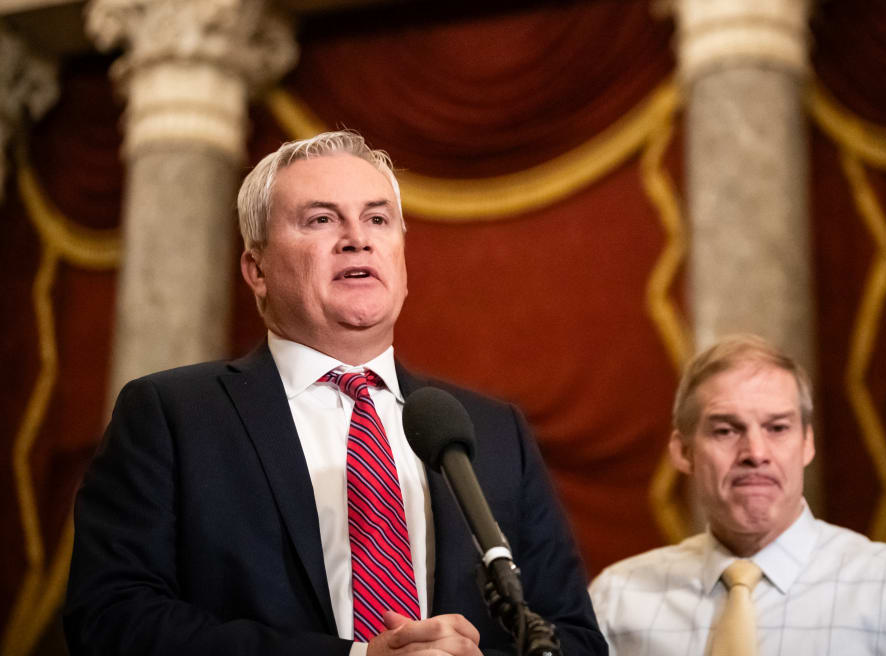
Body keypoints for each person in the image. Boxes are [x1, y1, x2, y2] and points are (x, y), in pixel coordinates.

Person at [64, 130, 606, 656]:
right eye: (321, 219)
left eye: (377, 218)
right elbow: (113, 618)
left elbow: (573, 637)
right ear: (257, 270)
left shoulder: (490, 432)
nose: (357, 237)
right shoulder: (173, 416)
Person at [589, 334, 886, 655]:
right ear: (683, 451)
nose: (756, 453)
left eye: (777, 428)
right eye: (726, 430)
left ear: (807, 444)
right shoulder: (617, 598)